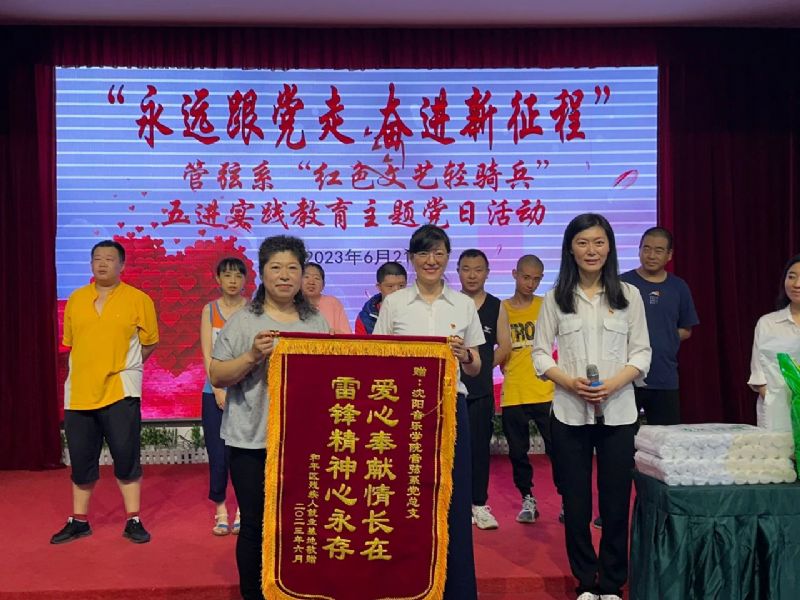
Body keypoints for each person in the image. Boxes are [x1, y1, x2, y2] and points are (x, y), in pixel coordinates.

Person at [532, 214, 650, 600]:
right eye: (583, 243)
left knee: (615, 502)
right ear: (570, 249)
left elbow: (641, 353)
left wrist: (614, 383)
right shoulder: (556, 298)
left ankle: (612, 583)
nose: (591, 250)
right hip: (570, 413)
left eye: (599, 242)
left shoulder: (628, 295)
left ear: (609, 247)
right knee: (576, 502)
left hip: (619, 413)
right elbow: (539, 354)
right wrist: (569, 382)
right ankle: (586, 581)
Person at [209, 236, 329, 600]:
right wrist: (251, 356)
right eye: (276, 268)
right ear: (262, 273)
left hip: (302, 444)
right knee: (255, 525)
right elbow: (217, 375)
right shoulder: (244, 321)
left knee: (300, 523)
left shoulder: (316, 322)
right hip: (251, 440)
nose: (285, 276)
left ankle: (294, 590)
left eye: (293, 268)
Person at [374, 224, 484, 600]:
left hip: (452, 408)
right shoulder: (395, 304)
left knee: (454, 498)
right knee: (405, 497)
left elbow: (476, 366)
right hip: (404, 412)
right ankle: (404, 584)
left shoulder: (463, 304)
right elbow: (378, 357)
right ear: (411, 259)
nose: (431, 260)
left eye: (438, 253)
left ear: (447, 257)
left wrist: (466, 355)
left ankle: (457, 589)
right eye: (423, 253)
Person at [51, 240, 159, 545]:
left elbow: (150, 342)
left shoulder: (138, 299)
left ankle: (133, 520)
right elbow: (72, 343)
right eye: (97, 258)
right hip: (79, 392)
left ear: (122, 265)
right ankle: (79, 521)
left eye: (109, 259)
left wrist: (127, 367)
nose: (102, 263)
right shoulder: (76, 299)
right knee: (81, 459)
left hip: (121, 391)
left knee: (126, 457)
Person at [620, 227, 699, 425]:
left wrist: (664, 337)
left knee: (667, 438)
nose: (651, 255)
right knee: (622, 437)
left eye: (658, 250)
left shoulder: (678, 287)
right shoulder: (622, 284)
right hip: (625, 378)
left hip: (664, 377)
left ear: (669, 255)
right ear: (639, 250)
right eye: (646, 249)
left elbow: (686, 329)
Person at [456, 249, 511, 530]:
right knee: (452, 451)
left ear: (487, 273)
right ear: (458, 272)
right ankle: (456, 506)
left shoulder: (496, 306)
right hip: (451, 389)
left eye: (478, 269)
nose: (472, 275)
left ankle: (479, 504)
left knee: (479, 450)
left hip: (480, 390)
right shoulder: (451, 303)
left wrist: (482, 365)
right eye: (466, 269)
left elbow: (505, 345)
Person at [500, 255, 556, 524]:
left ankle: (567, 499)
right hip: (514, 391)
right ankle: (527, 498)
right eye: (525, 277)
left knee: (558, 451)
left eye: (536, 279)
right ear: (515, 274)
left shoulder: (547, 306)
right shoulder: (501, 309)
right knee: (517, 453)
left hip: (546, 390)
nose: (530, 283)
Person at [200, 257, 248, 536]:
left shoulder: (252, 310)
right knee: (218, 455)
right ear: (218, 279)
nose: (232, 281)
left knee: (244, 455)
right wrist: (217, 388)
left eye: (238, 276)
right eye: (227, 275)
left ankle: (242, 510)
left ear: (245, 280)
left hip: (246, 393)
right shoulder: (209, 310)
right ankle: (220, 512)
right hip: (214, 391)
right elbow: (207, 354)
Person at [748, 254, 800, 432]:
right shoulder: (767, 323)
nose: (796, 284)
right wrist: (774, 402)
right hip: (777, 413)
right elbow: (758, 373)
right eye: (791, 276)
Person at [354, 261, 408, 334]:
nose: (397, 291)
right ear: (379, 287)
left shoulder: (416, 309)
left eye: (401, 286)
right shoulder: (365, 318)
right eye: (390, 286)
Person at [301, 262, 351, 333]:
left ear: (323, 285)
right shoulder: (291, 304)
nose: (311, 282)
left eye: (316, 278)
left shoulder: (333, 303)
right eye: (306, 277)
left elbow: (347, 334)